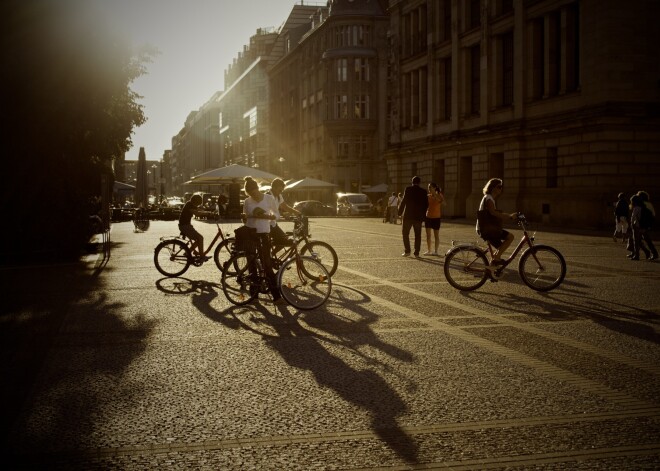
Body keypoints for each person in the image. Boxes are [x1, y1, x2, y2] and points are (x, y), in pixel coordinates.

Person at [242, 176, 285, 304]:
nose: (253, 196)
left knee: (266, 264)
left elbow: (277, 215)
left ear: (258, 188)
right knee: (252, 264)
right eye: (250, 194)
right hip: (250, 233)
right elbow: (244, 219)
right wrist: (246, 216)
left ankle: (276, 297)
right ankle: (253, 296)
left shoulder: (269, 198)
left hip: (264, 233)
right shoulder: (247, 201)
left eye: (254, 193)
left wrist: (271, 216)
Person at [476, 178, 517, 264]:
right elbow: (493, 213)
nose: (501, 189)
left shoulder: (489, 198)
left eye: (501, 187)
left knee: (501, 246)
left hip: (487, 228)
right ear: (493, 187)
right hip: (486, 229)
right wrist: (509, 216)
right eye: (499, 187)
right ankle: (496, 258)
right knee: (510, 237)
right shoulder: (489, 198)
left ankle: (494, 261)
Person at [398, 176, 428, 257]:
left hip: (408, 215)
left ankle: (407, 251)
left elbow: (403, 201)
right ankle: (416, 252)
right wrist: (423, 215)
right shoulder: (423, 191)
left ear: (412, 182)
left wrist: (400, 212)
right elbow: (426, 205)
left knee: (405, 233)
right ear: (419, 182)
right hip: (418, 217)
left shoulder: (408, 189)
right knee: (418, 235)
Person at [268, 177, 300, 249]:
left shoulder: (279, 196)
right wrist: (281, 215)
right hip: (266, 225)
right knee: (283, 240)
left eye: (282, 190)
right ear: (274, 187)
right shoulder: (267, 196)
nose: (281, 192)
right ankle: (269, 258)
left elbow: (285, 207)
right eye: (279, 190)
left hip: (273, 224)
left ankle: (272, 256)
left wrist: (296, 212)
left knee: (283, 240)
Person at [178, 193, 206, 260]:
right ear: (196, 201)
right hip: (185, 226)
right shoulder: (189, 205)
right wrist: (209, 214)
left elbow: (198, 210)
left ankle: (188, 252)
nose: (197, 205)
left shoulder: (190, 204)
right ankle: (202, 256)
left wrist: (207, 211)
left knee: (198, 239)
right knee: (200, 238)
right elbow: (197, 213)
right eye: (198, 203)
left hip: (186, 225)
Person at [636, 190, 657, 260]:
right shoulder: (649, 204)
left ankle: (648, 252)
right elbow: (653, 214)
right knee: (646, 239)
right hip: (647, 224)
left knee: (637, 240)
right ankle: (653, 253)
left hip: (641, 224)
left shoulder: (640, 204)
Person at [424, 182, 444, 256]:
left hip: (436, 217)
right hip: (428, 217)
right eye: (428, 187)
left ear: (434, 188)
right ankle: (429, 250)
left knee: (436, 235)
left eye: (430, 187)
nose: (429, 189)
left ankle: (436, 251)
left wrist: (436, 196)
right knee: (428, 235)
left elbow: (444, 204)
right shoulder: (427, 196)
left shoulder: (439, 195)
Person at [628, 194, 650, 261]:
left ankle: (637, 255)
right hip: (642, 226)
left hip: (636, 226)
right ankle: (646, 251)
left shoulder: (636, 208)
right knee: (639, 241)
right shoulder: (643, 207)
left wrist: (631, 224)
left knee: (636, 241)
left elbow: (633, 217)